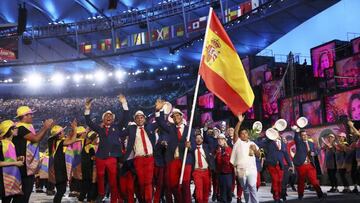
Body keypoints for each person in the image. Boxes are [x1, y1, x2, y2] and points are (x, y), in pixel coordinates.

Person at [84, 95, 129, 203]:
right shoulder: (100, 129)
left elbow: (125, 118)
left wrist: (124, 103)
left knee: (113, 180)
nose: (108, 117)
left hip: (112, 157)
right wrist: (87, 109)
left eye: (110, 116)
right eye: (106, 116)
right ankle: (101, 193)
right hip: (100, 157)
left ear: (113, 119)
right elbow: (89, 122)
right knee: (100, 176)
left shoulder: (117, 127)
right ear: (103, 119)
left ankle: (114, 199)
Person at [155, 101, 195, 203]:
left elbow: (194, 146)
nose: (175, 117)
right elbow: (160, 122)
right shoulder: (170, 129)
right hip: (173, 160)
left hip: (186, 160)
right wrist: (157, 110)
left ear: (182, 116)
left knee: (185, 185)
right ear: (172, 118)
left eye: (178, 115)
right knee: (173, 185)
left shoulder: (189, 130)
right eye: (173, 116)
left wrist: (190, 146)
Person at [12, 106, 54, 203]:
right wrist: (45, 127)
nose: (32, 116)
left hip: (25, 165)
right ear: (24, 116)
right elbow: (35, 139)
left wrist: (46, 129)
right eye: (30, 114)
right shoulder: (20, 128)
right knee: (23, 195)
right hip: (23, 166)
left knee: (24, 194)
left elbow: (37, 139)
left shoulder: (23, 127)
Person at [121, 110, 158, 203]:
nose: (139, 119)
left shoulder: (150, 126)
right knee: (141, 183)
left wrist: (158, 111)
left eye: (141, 117)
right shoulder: (131, 128)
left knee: (148, 182)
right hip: (138, 159)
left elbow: (160, 122)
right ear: (135, 120)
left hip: (150, 158)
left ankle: (148, 200)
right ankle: (143, 200)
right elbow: (120, 134)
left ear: (145, 119)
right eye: (137, 118)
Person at [257, 124, 292, 203]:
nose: (276, 134)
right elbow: (258, 143)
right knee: (275, 180)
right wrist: (267, 136)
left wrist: (290, 164)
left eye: (277, 132)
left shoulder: (283, 143)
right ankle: (276, 197)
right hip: (271, 164)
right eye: (274, 132)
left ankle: (278, 195)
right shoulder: (268, 142)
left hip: (281, 165)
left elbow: (286, 154)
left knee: (280, 180)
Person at [231, 115, 260, 203]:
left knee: (252, 187)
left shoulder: (252, 143)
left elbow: (259, 155)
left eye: (245, 133)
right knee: (245, 189)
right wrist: (239, 122)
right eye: (242, 133)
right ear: (240, 136)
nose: (244, 135)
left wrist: (255, 150)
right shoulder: (238, 142)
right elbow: (235, 132)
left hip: (251, 169)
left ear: (248, 134)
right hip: (241, 170)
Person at [291, 126, 326, 200]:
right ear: (300, 136)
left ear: (307, 135)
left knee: (314, 180)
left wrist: (314, 153)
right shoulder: (299, 142)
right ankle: (300, 195)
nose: (304, 136)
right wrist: (297, 131)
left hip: (310, 164)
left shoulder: (311, 143)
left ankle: (320, 194)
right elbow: (296, 137)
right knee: (301, 181)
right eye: (302, 135)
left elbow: (316, 151)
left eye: (305, 135)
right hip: (301, 164)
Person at [48, 121, 79, 203]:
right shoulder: (60, 142)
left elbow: (68, 138)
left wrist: (72, 131)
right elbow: (72, 140)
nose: (64, 133)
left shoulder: (51, 141)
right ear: (58, 134)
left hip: (55, 168)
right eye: (62, 132)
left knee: (60, 189)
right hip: (59, 169)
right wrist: (75, 128)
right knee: (61, 190)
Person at [0, 120, 24, 203]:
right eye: (15, 128)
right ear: (10, 130)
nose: (17, 129)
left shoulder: (11, 143)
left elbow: (7, 158)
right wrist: (15, 163)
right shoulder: (1, 144)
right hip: (5, 179)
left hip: (13, 177)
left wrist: (17, 158)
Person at [189, 131, 214, 203]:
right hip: (197, 172)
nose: (198, 139)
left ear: (203, 140)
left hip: (206, 171)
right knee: (199, 190)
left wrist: (205, 130)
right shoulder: (192, 149)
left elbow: (211, 141)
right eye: (197, 138)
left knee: (206, 189)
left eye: (200, 138)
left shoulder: (206, 147)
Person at [78, 131, 98, 203]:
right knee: (89, 184)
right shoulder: (90, 147)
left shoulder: (85, 146)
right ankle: (88, 199)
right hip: (89, 168)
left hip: (85, 168)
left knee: (86, 184)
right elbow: (93, 158)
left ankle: (82, 198)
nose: (97, 140)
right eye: (96, 138)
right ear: (94, 139)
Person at [216, 133, 233, 203]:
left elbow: (230, 160)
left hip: (229, 172)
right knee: (222, 189)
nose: (220, 140)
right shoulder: (216, 149)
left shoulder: (229, 149)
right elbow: (218, 161)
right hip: (220, 172)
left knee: (229, 188)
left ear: (225, 140)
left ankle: (229, 199)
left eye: (221, 139)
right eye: (219, 139)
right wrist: (219, 153)